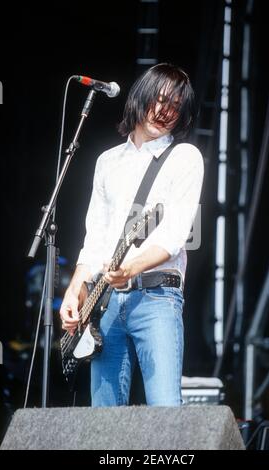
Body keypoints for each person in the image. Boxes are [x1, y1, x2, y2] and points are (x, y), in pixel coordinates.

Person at [59, 63, 204, 407]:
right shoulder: (107, 161)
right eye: (159, 100)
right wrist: (75, 291)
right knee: (103, 420)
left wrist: (132, 268)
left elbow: (175, 234)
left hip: (157, 298)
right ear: (141, 96)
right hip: (105, 303)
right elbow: (95, 237)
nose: (164, 112)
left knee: (166, 409)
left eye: (174, 106)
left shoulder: (185, 157)